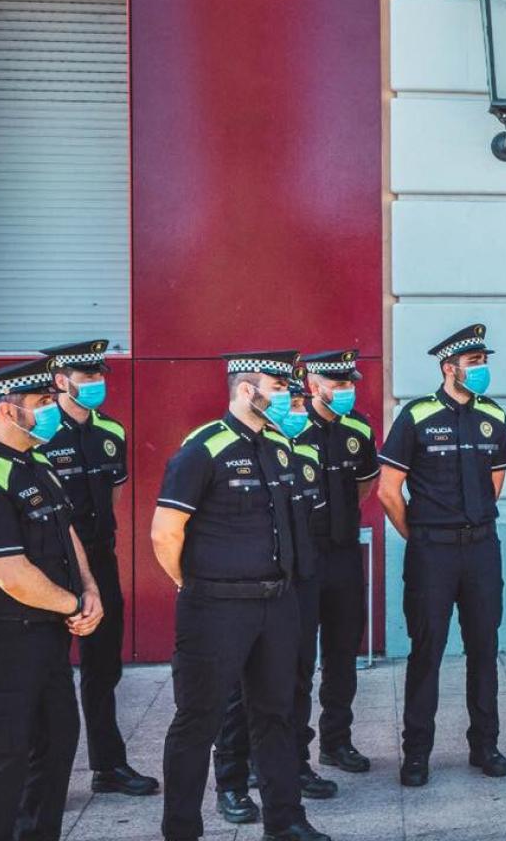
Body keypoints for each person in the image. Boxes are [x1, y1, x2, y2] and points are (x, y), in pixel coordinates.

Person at [152, 351, 328, 841]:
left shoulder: (279, 447)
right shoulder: (203, 448)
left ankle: (285, 820)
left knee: (277, 715)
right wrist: (192, 585)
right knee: (198, 721)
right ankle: (182, 829)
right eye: (275, 386)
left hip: (276, 604)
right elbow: (165, 533)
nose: (285, 396)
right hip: (215, 607)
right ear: (246, 389)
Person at [0, 356, 102, 841]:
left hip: (45, 634)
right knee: (1, 764)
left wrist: (89, 588)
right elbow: (10, 573)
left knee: (54, 750)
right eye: (43, 401)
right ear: (9, 412)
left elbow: (66, 530)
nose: (54, 407)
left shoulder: (35, 462)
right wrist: (73, 606)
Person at [378, 324, 506, 785]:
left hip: (480, 549)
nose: (481, 370)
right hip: (431, 553)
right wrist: (418, 533)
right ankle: (416, 753)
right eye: (472, 363)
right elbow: (388, 492)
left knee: (483, 648)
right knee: (427, 652)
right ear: (447, 368)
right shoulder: (415, 416)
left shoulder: (493, 416)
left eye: (483, 362)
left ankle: (486, 745)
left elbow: (494, 484)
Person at [35, 339, 159, 796]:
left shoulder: (112, 432)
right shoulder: (41, 432)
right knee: (44, 673)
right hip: (48, 566)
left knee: (103, 669)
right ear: (61, 380)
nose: (96, 383)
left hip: (99, 562)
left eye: (99, 375)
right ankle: (44, 781)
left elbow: (113, 498)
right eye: (87, 376)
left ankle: (109, 766)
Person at [212, 370, 335, 824]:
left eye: (299, 401)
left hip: (297, 583)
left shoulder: (297, 452)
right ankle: (231, 780)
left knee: (293, 681)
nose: (295, 408)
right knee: (237, 691)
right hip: (247, 589)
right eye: (287, 397)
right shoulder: (229, 448)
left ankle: (291, 767)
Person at [297, 350, 380, 774]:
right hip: (303, 559)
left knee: (342, 654)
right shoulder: (291, 427)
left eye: (350, 383)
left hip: (343, 554)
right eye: (337, 383)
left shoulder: (359, 427)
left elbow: (365, 485)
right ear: (314, 386)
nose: (347, 390)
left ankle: (336, 740)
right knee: (293, 661)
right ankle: (292, 754)